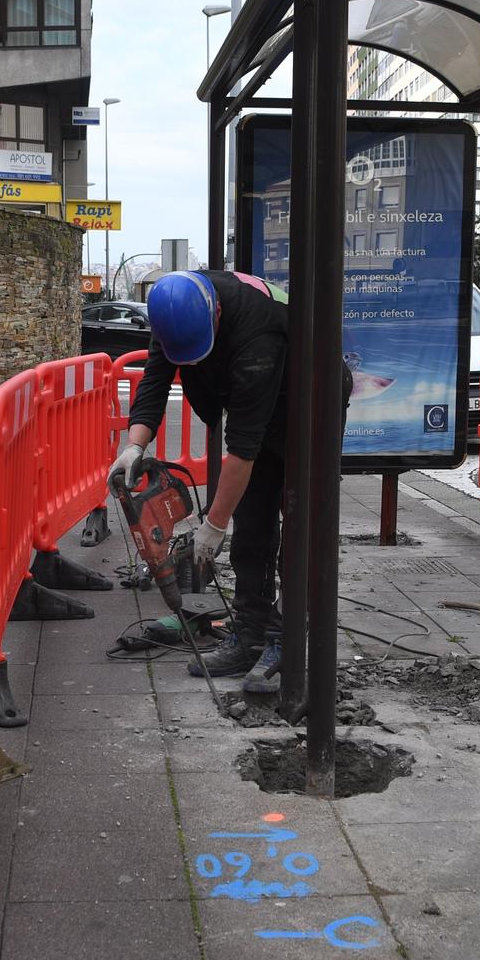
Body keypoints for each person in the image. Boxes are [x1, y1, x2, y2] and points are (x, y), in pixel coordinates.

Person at [112, 270, 348, 697]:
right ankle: (251, 633)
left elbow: (243, 447)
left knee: (299, 529)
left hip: (309, 409)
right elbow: (155, 381)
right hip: (256, 410)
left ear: (215, 313)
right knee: (252, 529)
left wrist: (213, 525)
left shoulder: (258, 329)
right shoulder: (175, 313)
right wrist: (133, 446)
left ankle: (286, 642)